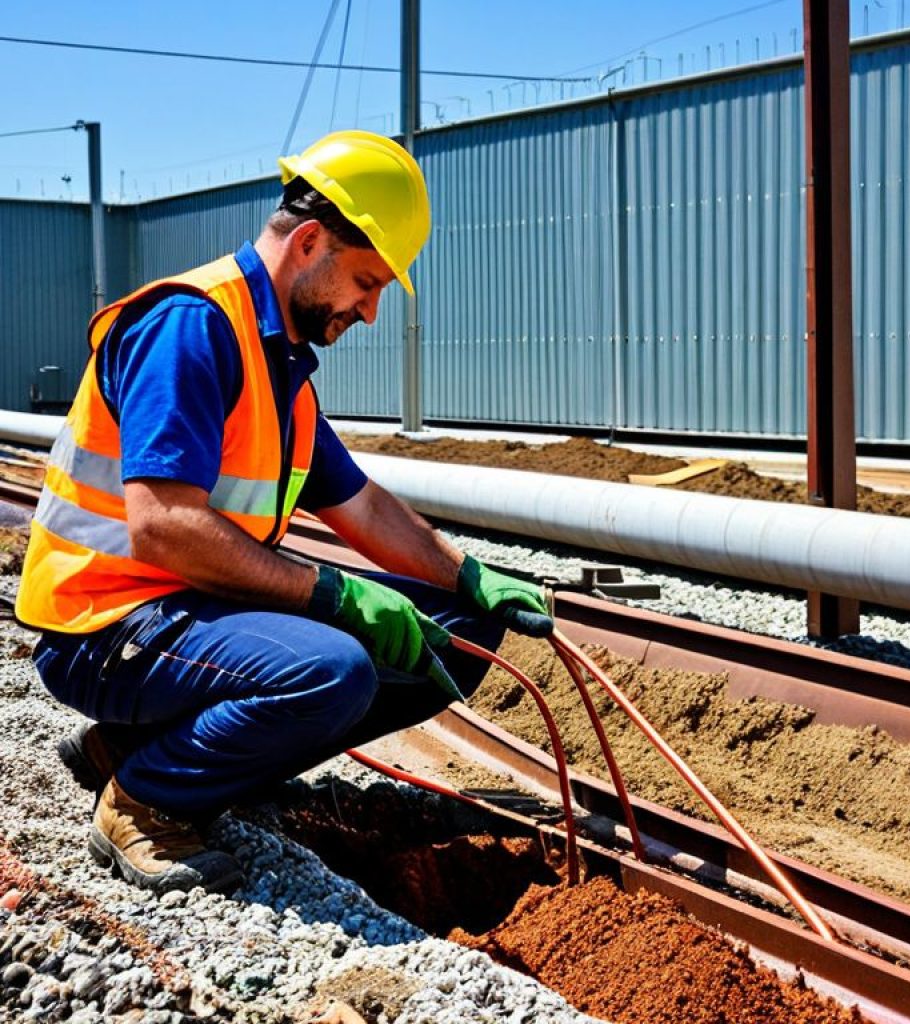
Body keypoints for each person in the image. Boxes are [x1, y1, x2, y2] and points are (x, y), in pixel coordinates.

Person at [16, 130, 553, 896]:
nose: (371, 311)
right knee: (331, 672)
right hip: (103, 626)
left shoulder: (281, 366)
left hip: (189, 612)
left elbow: (362, 504)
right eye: (365, 282)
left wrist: (470, 577)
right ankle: (146, 801)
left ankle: (134, 748)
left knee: (456, 635)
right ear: (308, 244)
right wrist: (331, 593)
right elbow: (161, 524)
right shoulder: (192, 327)